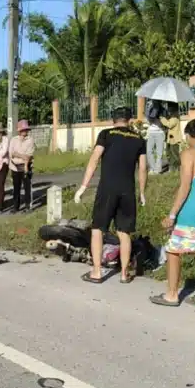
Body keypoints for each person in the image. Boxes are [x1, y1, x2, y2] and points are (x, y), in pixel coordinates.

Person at [150, 118, 195, 309]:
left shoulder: (188, 154)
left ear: (189, 135)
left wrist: (172, 215)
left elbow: (185, 187)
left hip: (190, 213)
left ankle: (172, 295)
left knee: (173, 251)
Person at [74, 106, 148, 284]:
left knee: (98, 229)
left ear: (113, 120)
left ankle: (97, 272)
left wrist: (83, 186)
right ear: (130, 120)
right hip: (128, 190)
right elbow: (143, 168)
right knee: (124, 232)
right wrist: (142, 192)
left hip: (107, 188)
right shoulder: (139, 139)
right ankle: (124, 274)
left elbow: (94, 159)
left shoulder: (106, 134)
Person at [9, 119, 36, 213]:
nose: (25, 131)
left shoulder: (30, 140)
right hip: (14, 166)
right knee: (16, 188)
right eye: (23, 129)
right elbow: (11, 153)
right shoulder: (13, 140)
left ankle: (28, 206)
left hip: (26, 166)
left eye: (26, 129)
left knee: (27, 187)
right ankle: (15, 207)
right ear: (19, 130)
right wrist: (22, 156)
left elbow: (29, 155)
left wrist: (19, 155)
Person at [159, 103, 183, 171]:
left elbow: (169, 124)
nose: (168, 110)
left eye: (169, 108)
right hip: (170, 139)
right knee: (168, 153)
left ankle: (177, 167)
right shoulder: (172, 116)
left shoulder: (175, 117)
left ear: (173, 109)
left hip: (175, 140)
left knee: (174, 154)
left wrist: (162, 118)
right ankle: (172, 167)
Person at [145, 99, 166, 174]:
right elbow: (148, 118)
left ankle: (158, 170)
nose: (153, 102)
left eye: (155, 101)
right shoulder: (150, 109)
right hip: (151, 132)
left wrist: (160, 117)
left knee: (159, 152)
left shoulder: (163, 110)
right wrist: (151, 112)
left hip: (160, 132)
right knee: (149, 151)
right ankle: (152, 168)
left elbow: (165, 122)